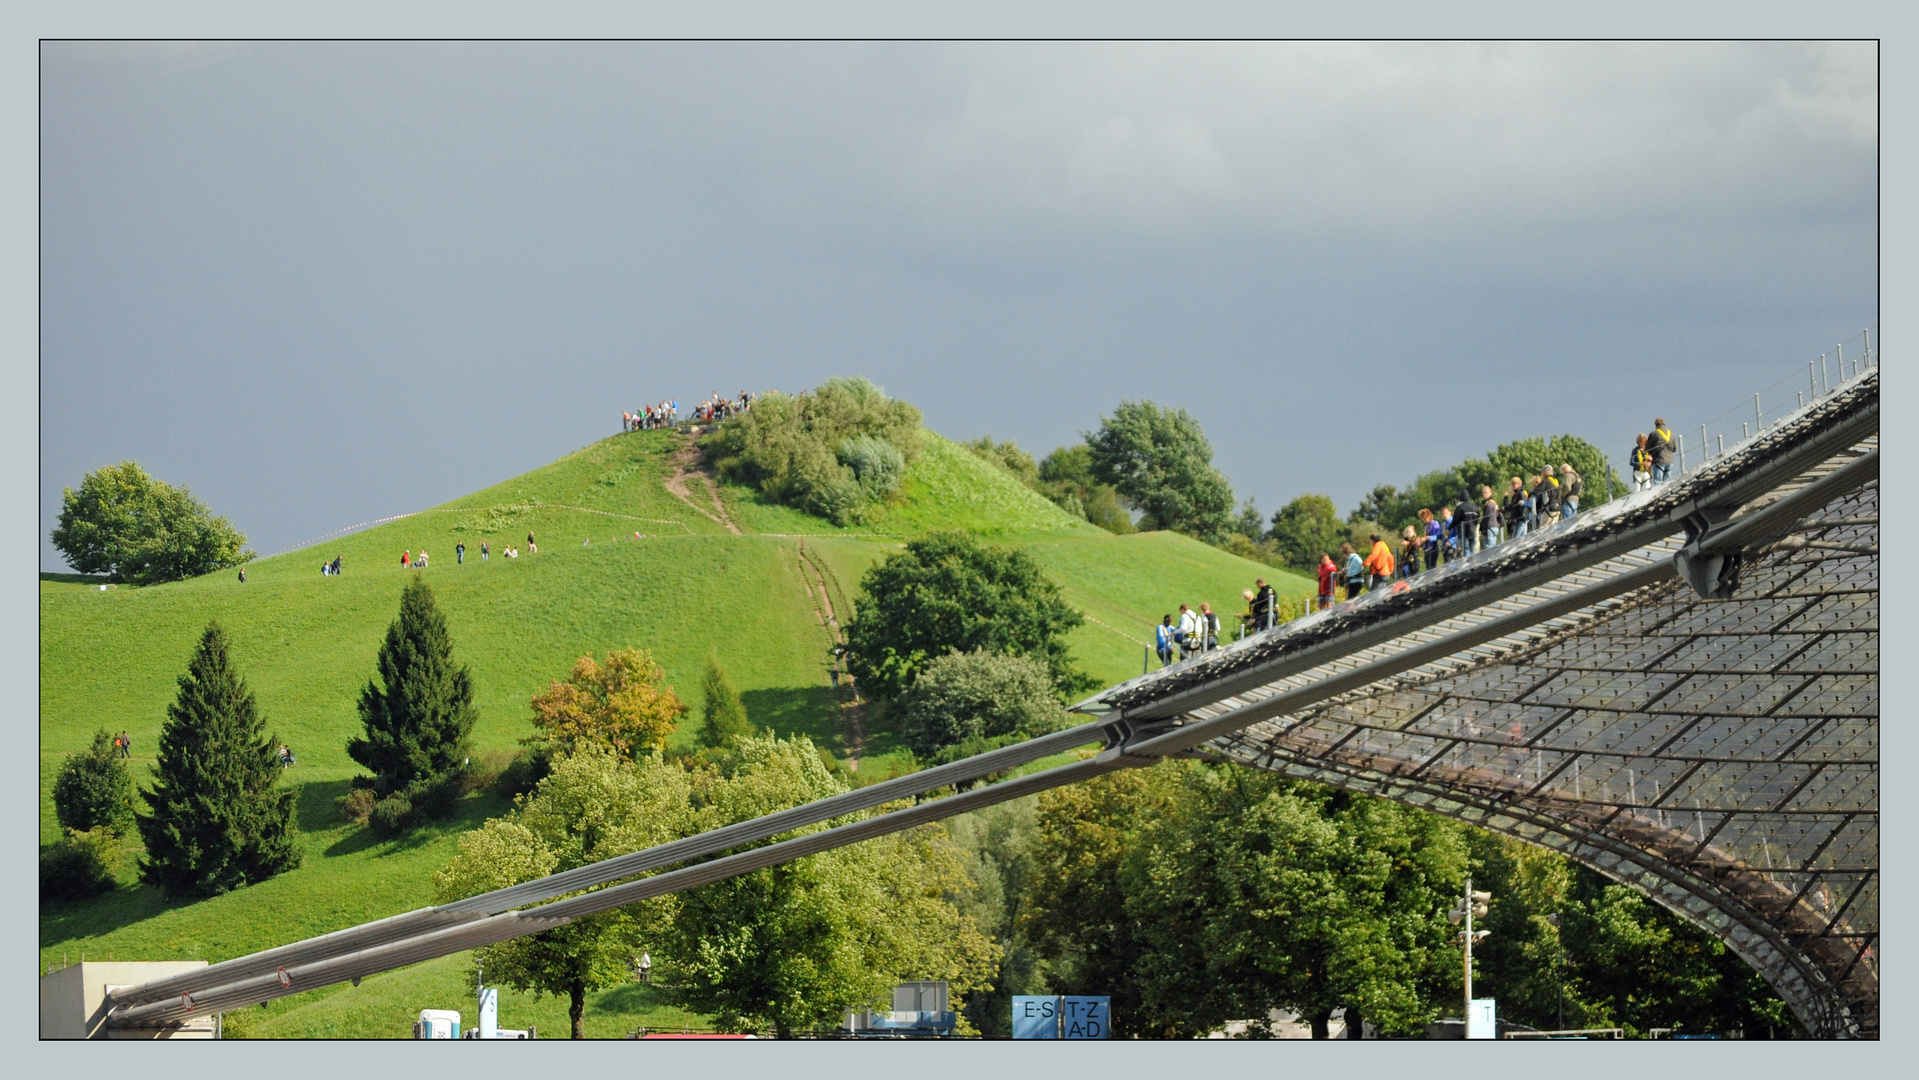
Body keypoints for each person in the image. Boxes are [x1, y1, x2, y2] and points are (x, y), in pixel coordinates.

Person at [1647, 418, 1676, 483]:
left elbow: (1648, 448)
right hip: (1670, 460)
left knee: (1658, 482)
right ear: (1664, 424)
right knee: (1667, 482)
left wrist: (1652, 454)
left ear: (1656, 425)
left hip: (1659, 460)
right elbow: (1674, 449)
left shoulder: (1654, 434)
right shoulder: (1671, 434)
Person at [1453, 490, 1481, 557]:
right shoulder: (1475, 506)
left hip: (1463, 533)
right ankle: (1473, 563)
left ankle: (1468, 565)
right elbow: (1477, 519)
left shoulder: (1459, 507)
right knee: (1472, 549)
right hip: (1472, 531)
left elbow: (1455, 519)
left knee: (1466, 550)